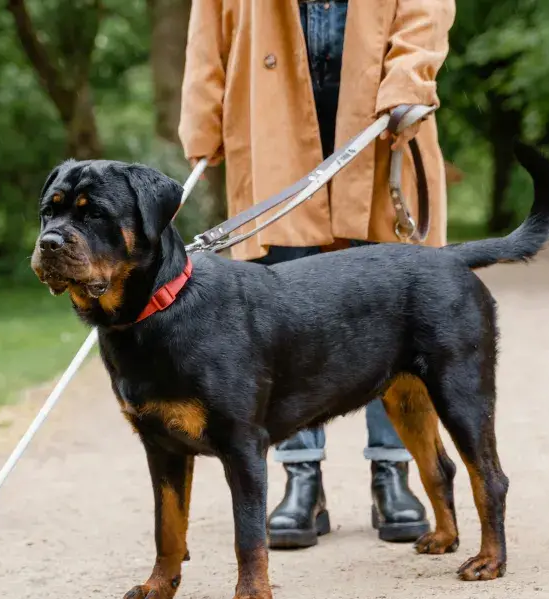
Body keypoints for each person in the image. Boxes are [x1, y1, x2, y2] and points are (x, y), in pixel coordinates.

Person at [178, 0, 456, 549]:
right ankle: (302, 478)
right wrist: (203, 124)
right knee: (280, 319)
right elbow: (208, 34)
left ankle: (392, 473)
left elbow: (425, 13)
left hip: (382, 131)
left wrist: (408, 82)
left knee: (392, 315)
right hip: (270, 127)